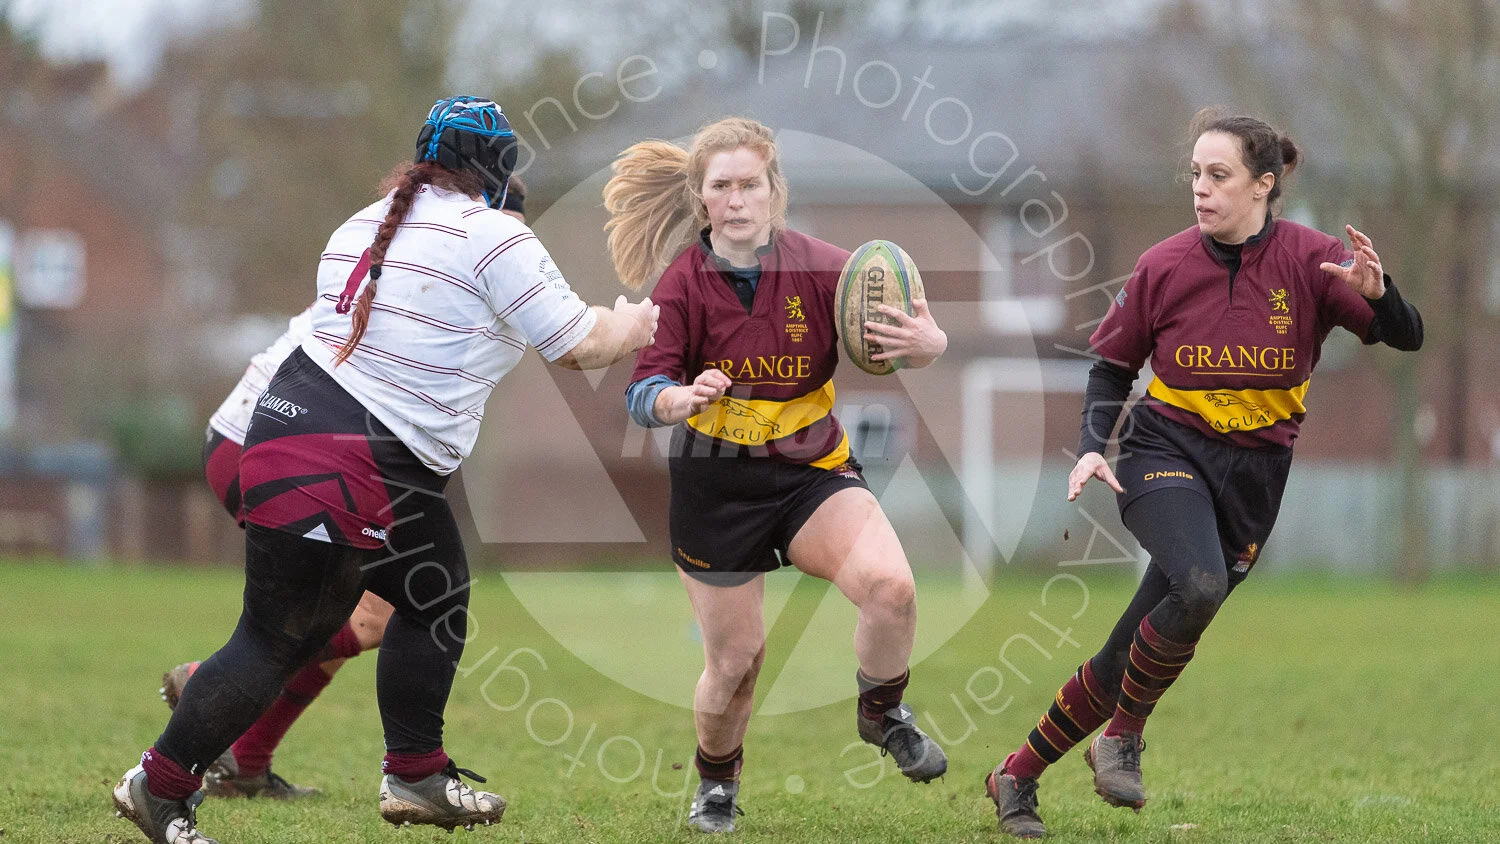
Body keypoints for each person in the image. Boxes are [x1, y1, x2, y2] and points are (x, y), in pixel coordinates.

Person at [111, 97, 658, 844]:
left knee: (430, 594)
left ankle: (417, 774)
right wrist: (633, 323)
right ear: (498, 169)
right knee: (278, 638)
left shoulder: (364, 223)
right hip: (352, 452)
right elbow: (575, 344)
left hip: (295, 426)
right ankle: (160, 785)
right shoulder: (493, 233)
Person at [983, 108, 1423, 838]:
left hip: (1254, 479)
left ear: (1263, 184)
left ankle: (1015, 776)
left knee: (1128, 648)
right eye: (1194, 174)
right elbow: (1109, 371)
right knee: (1200, 584)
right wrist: (1094, 443)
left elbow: (1408, 337)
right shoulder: (1162, 266)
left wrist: (1380, 294)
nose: (1200, 188)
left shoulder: (1313, 263)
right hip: (1164, 452)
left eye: (1218, 175)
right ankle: (1122, 736)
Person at [605, 117, 950, 834]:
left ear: (774, 191)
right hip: (716, 485)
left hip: (809, 473)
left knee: (893, 590)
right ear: (702, 200)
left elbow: (899, 340)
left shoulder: (830, 269)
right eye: (722, 186)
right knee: (735, 664)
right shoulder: (682, 285)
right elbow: (643, 394)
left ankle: (882, 711)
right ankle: (715, 785)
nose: (737, 200)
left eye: (750, 184)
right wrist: (680, 397)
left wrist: (929, 342)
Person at [157, 177, 532, 801]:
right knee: (365, 611)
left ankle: (245, 760)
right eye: (508, 232)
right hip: (280, 450)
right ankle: (209, 695)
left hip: (254, 440)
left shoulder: (407, 257)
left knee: (362, 609)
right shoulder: (443, 280)